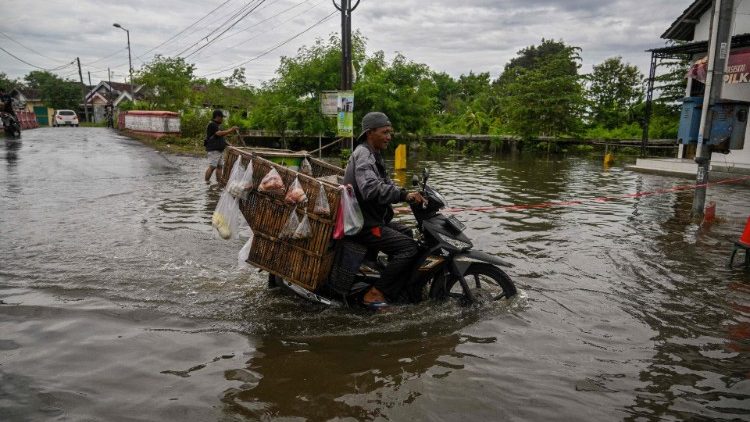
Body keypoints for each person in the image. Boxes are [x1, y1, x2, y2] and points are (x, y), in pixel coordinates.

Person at [343, 112, 425, 309]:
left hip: (373, 219)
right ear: (370, 133)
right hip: (364, 224)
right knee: (409, 248)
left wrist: (408, 193)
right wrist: (403, 195)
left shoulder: (373, 153)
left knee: (407, 232)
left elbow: (386, 183)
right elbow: (370, 188)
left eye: (390, 132)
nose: (389, 137)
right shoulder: (363, 154)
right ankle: (375, 293)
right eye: (385, 132)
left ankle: (394, 282)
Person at [204, 109, 238, 183]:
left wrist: (229, 145)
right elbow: (218, 134)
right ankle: (206, 181)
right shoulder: (212, 124)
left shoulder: (218, 126)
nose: (222, 119)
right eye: (221, 117)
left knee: (220, 166)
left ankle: (218, 181)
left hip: (219, 150)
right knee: (212, 166)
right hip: (214, 149)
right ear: (217, 117)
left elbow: (221, 138)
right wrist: (231, 129)